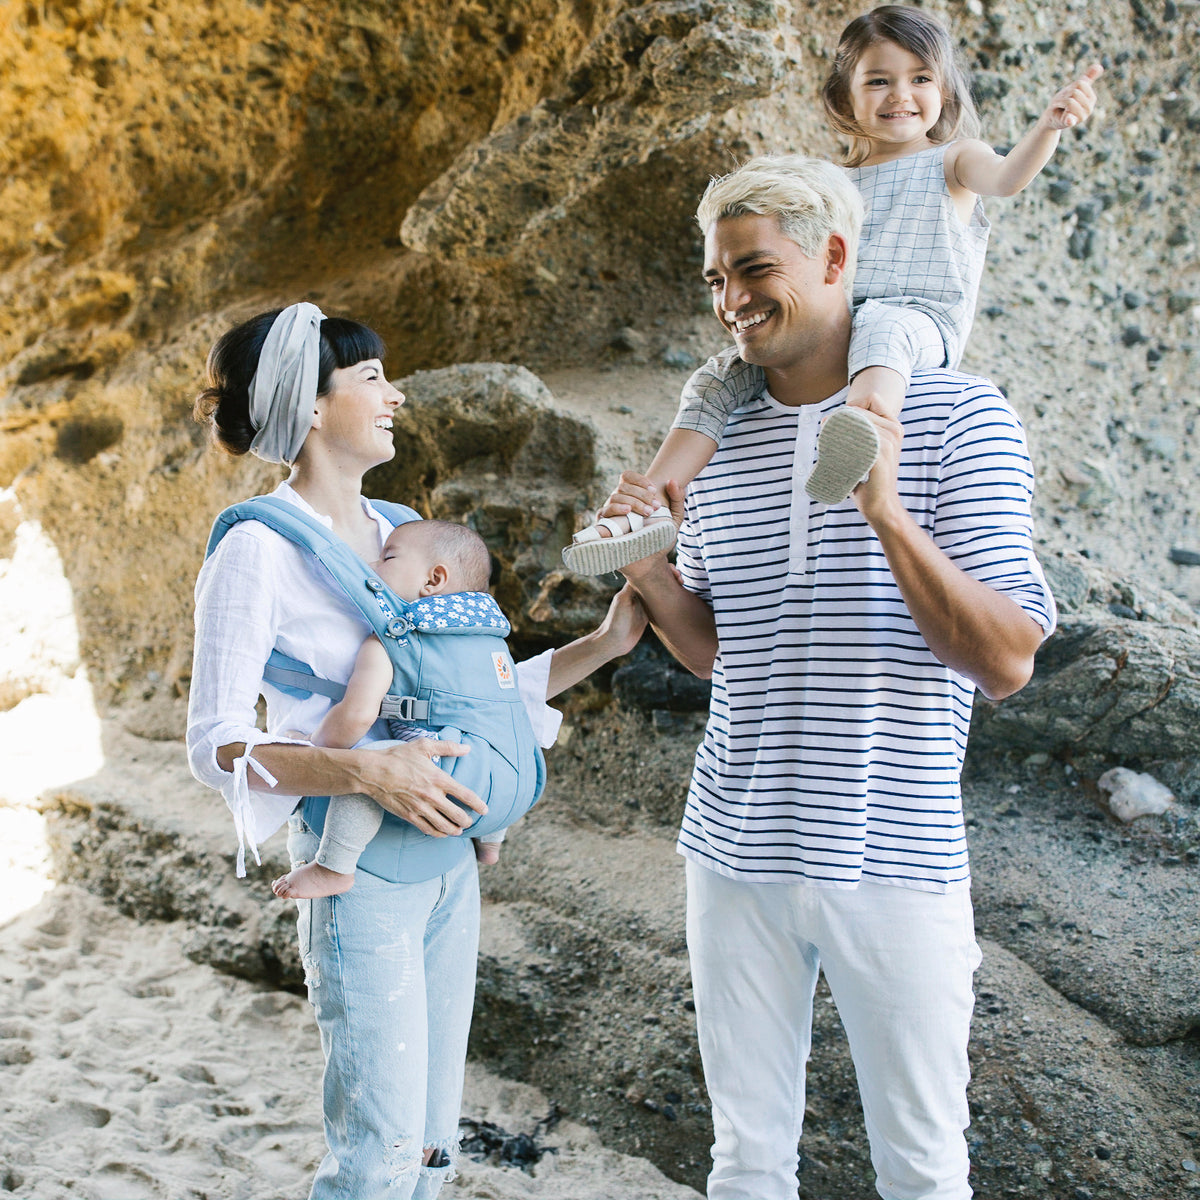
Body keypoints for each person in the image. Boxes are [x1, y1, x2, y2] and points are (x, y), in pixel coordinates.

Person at [615, 156, 1057, 1199]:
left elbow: (1008, 661)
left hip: (894, 859)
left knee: (921, 1170)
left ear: (836, 257)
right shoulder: (715, 448)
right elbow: (725, 653)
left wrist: (887, 513)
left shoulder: (962, 416)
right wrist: (647, 569)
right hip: (731, 854)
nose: (732, 303)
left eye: (755, 270)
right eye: (716, 280)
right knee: (747, 1161)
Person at [186, 303, 646, 1200]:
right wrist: (364, 769)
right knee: (378, 1152)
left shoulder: (401, 526)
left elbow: (466, 687)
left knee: (435, 1144)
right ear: (311, 408)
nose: (394, 393)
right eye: (369, 378)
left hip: (447, 867)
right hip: (355, 875)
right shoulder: (254, 548)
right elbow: (215, 745)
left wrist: (604, 645)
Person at [562, 3, 1101, 574]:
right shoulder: (828, 182)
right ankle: (647, 510)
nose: (902, 94)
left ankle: (861, 435)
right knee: (716, 380)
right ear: (845, 97)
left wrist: (1049, 126)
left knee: (881, 328)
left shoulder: (954, 160)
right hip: (832, 325)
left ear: (943, 89)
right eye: (879, 81)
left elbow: (1009, 177)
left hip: (919, 320)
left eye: (921, 79)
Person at [271, 519, 517, 903]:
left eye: (387, 556)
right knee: (507, 734)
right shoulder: (491, 639)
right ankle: (490, 845)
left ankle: (333, 867)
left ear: (433, 580)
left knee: (373, 764)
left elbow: (356, 716)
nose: (371, 566)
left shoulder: (397, 638)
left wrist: (312, 747)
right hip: (513, 783)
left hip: (451, 784)